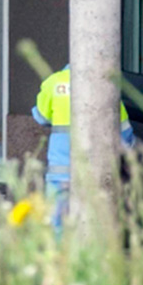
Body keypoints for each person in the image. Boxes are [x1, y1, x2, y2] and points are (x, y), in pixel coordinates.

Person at [31, 65, 135, 232]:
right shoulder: (106, 83)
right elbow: (125, 133)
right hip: (97, 171)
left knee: (58, 221)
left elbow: (41, 116)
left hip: (61, 170)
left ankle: (61, 255)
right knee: (97, 223)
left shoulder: (55, 82)